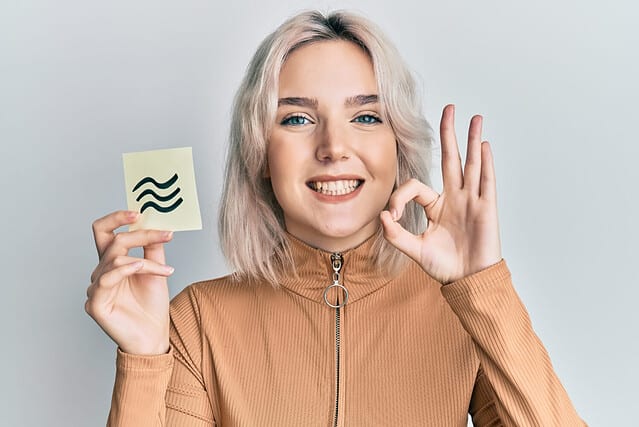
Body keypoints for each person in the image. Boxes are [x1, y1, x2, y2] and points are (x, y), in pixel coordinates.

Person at [86, 10, 586, 426]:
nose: (334, 148)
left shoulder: (464, 314)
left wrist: (484, 291)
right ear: (260, 151)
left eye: (366, 116)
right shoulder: (198, 320)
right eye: (297, 118)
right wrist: (146, 359)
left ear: (399, 146)